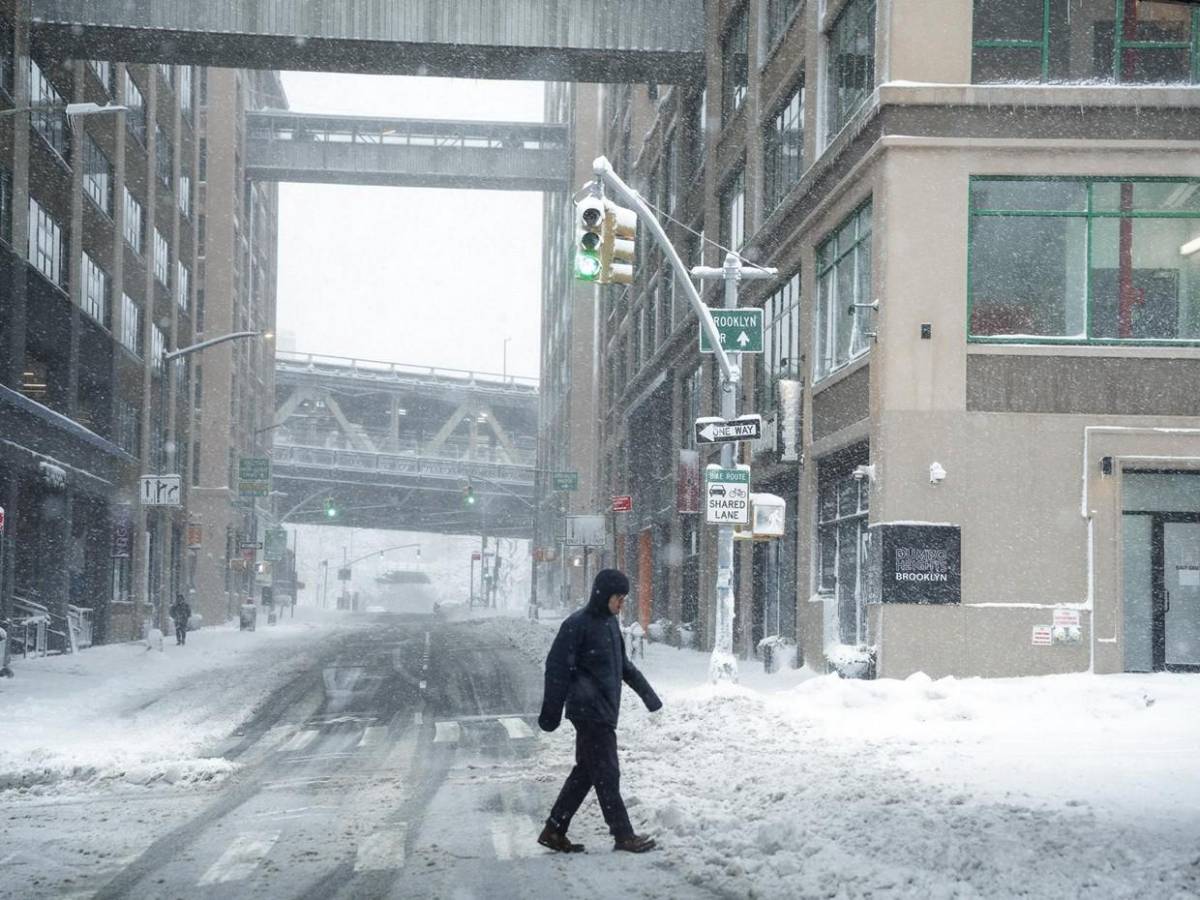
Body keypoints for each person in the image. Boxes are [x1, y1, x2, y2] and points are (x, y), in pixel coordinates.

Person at [537, 569, 661, 854]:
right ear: (603, 595)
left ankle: (555, 828)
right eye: (618, 597)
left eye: (623, 598)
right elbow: (556, 668)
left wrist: (650, 697)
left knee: (587, 772)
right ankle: (623, 834)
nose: (621, 603)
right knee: (607, 773)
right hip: (588, 711)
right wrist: (551, 712)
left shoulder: (610, 625)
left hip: (603, 711)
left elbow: (625, 667)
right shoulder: (577, 624)